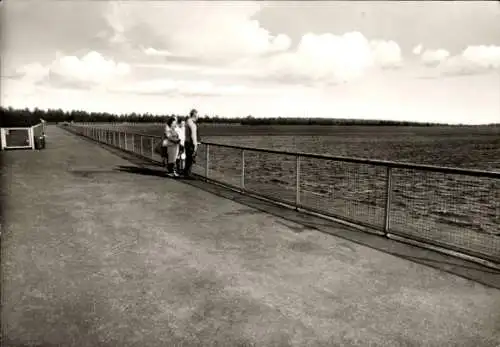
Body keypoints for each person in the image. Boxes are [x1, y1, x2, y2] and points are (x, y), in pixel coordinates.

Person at [183, 109, 199, 179]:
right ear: (194, 115)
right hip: (191, 143)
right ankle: (188, 174)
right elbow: (193, 135)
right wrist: (195, 145)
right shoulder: (192, 124)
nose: (198, 117)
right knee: (190, 159)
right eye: (197, 115)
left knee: (188, 158)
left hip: (186, 142)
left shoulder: (187, 122)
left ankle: (186, 173)